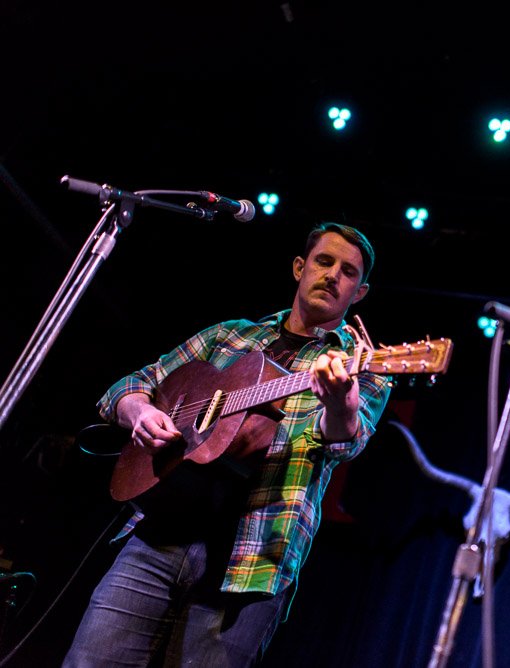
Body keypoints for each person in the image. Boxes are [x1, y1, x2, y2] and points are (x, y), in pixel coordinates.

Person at [63, 221, 393, 666]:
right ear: (300, 267)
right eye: (324, 261)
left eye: (349, 271)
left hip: (252, 562)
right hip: (156, 537)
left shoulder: (361, 365)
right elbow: (131, 385)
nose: (333, 275)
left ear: (361, 292)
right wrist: (140, 412)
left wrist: (342, 403)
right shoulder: (229, 336)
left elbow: (342, 445)